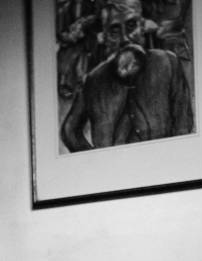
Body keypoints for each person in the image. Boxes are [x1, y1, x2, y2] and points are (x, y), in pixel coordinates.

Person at [61, 0, 193, 152]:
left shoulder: (168, 63)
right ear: (104, 37)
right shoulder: (93, 80)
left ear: (142, 27)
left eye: (131, 26)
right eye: (114, 31)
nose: (125, 38)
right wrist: (95, 161)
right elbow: (69, 131)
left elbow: (183, 124)